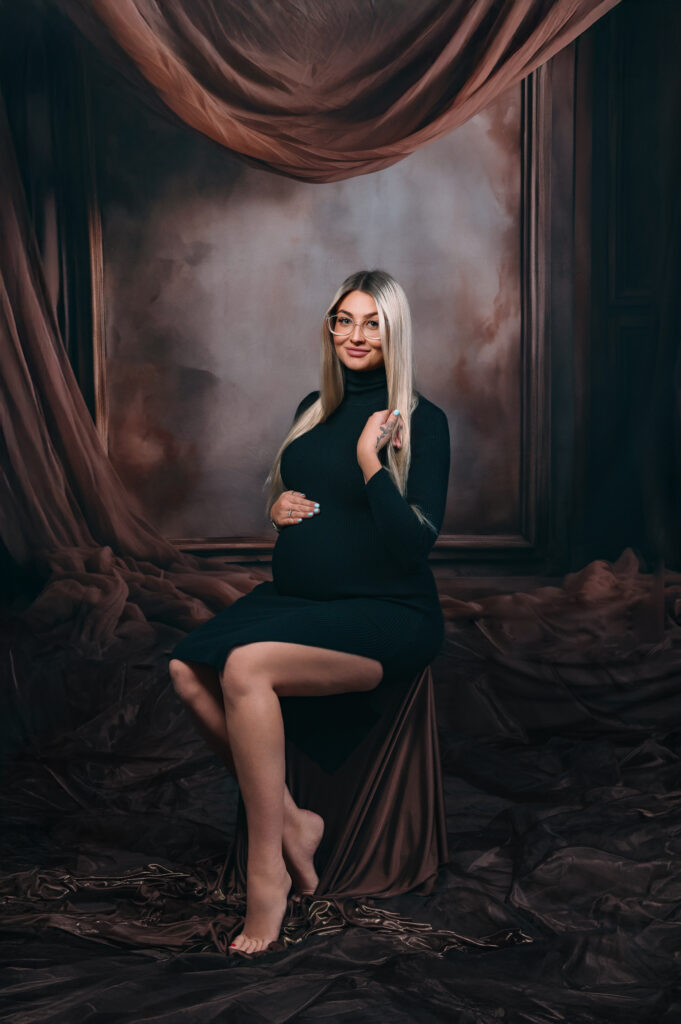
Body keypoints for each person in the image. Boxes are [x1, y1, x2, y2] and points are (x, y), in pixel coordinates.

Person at [168, 268, 451, 955]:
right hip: (300, 602)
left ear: (393, 333)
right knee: (184, 667)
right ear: (330, 328)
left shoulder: (420, 419)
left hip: (386, 612)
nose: (354, 336)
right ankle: (295, 821)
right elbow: (304, 491)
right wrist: (278, 507)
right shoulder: (311, 406)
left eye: (371, 323)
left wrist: (369, 461)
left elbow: (413, 543)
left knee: (246, 669)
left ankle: (267, 877)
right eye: (343, 321)